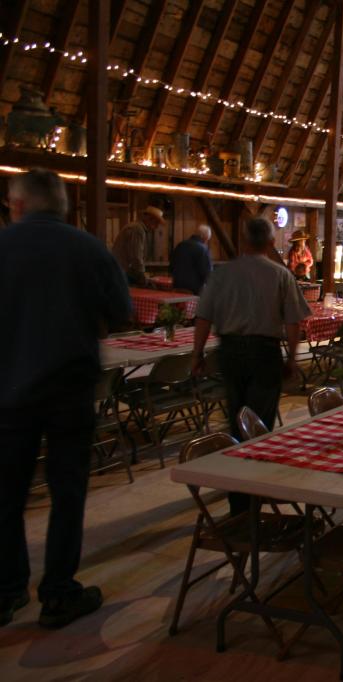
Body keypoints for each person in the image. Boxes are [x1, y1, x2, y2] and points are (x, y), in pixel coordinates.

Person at [1, 169, 132, 629]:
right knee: (67, 492)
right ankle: (58, 593)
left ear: (16, 205)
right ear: (64, 206)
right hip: (70, 388)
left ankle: (7, 589)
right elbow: (122, 313)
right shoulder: (89, 248)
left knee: (6, 495)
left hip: (8, 391)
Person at [191, 218, 310, 515]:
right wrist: (292, 358)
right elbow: (293, 321)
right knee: (258, 425)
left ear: (243, 242)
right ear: (271, 244)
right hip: (264, 352)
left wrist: (197, 354)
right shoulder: (280, 275)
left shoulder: (223, 273)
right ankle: (252, 494)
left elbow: (203, 316)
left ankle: (238, 498)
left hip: (230, 352)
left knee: (235, 420)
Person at [112, 205, 164, 285]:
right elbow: (136, 255)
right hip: (123, 272)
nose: (157, 227)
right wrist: (141, 274)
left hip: (120, 270)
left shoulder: (136, 227)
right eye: (156, 222)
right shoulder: (138, 229)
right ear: (150, 219)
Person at [169, 225, 213, 294]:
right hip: (194, 290)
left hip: (177, 286)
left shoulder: (180, 245)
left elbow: (171, 266)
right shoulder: (203, 249)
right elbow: (207, 273)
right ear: (203, 237)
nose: (206, 242)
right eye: (207, 239)